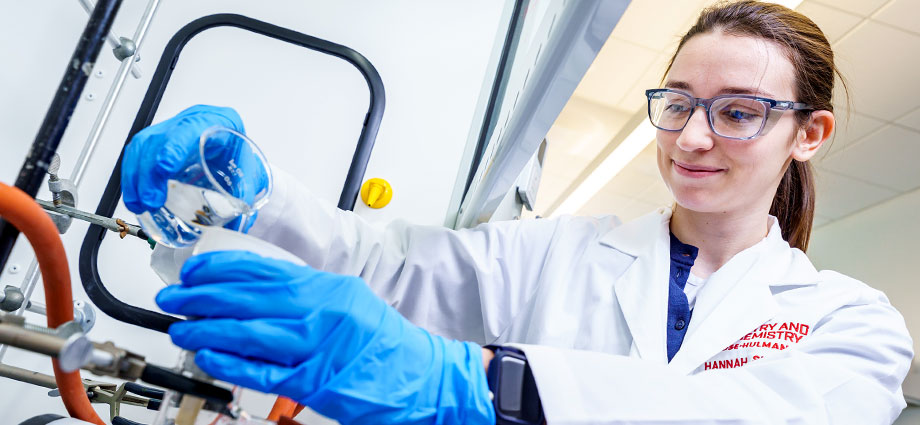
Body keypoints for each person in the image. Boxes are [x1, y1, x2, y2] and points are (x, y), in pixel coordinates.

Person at [122, 2, 914, 424]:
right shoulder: (557, 252)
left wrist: (486, 388)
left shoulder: (851, 323)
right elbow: (390, 266)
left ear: (808, 133)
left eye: (739, 111)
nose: (694, 137)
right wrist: (262, 198)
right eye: (677, 103)